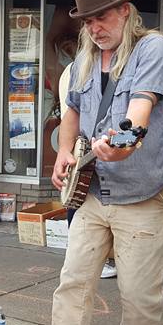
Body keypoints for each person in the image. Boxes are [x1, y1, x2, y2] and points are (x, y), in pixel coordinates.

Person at [14, 0, 163, 325]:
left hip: (143, 197)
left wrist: (122, 145)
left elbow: (138, 116)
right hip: (91, 196)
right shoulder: (85, 58)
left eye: (102, 17)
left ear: (126, 10)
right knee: (73, 284)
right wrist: (66, 152)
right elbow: (71, 111)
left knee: (140, 295)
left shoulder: (152, 49)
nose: (94, 28)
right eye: (86, 21)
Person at [58, 62, 117, 279]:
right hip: (85, 146)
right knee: (79, 196)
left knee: (76, 196)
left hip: (85, 145)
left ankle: (91, 255)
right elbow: (73, 111)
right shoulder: (78, 68)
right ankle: (99, 258)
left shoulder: (73, 68)